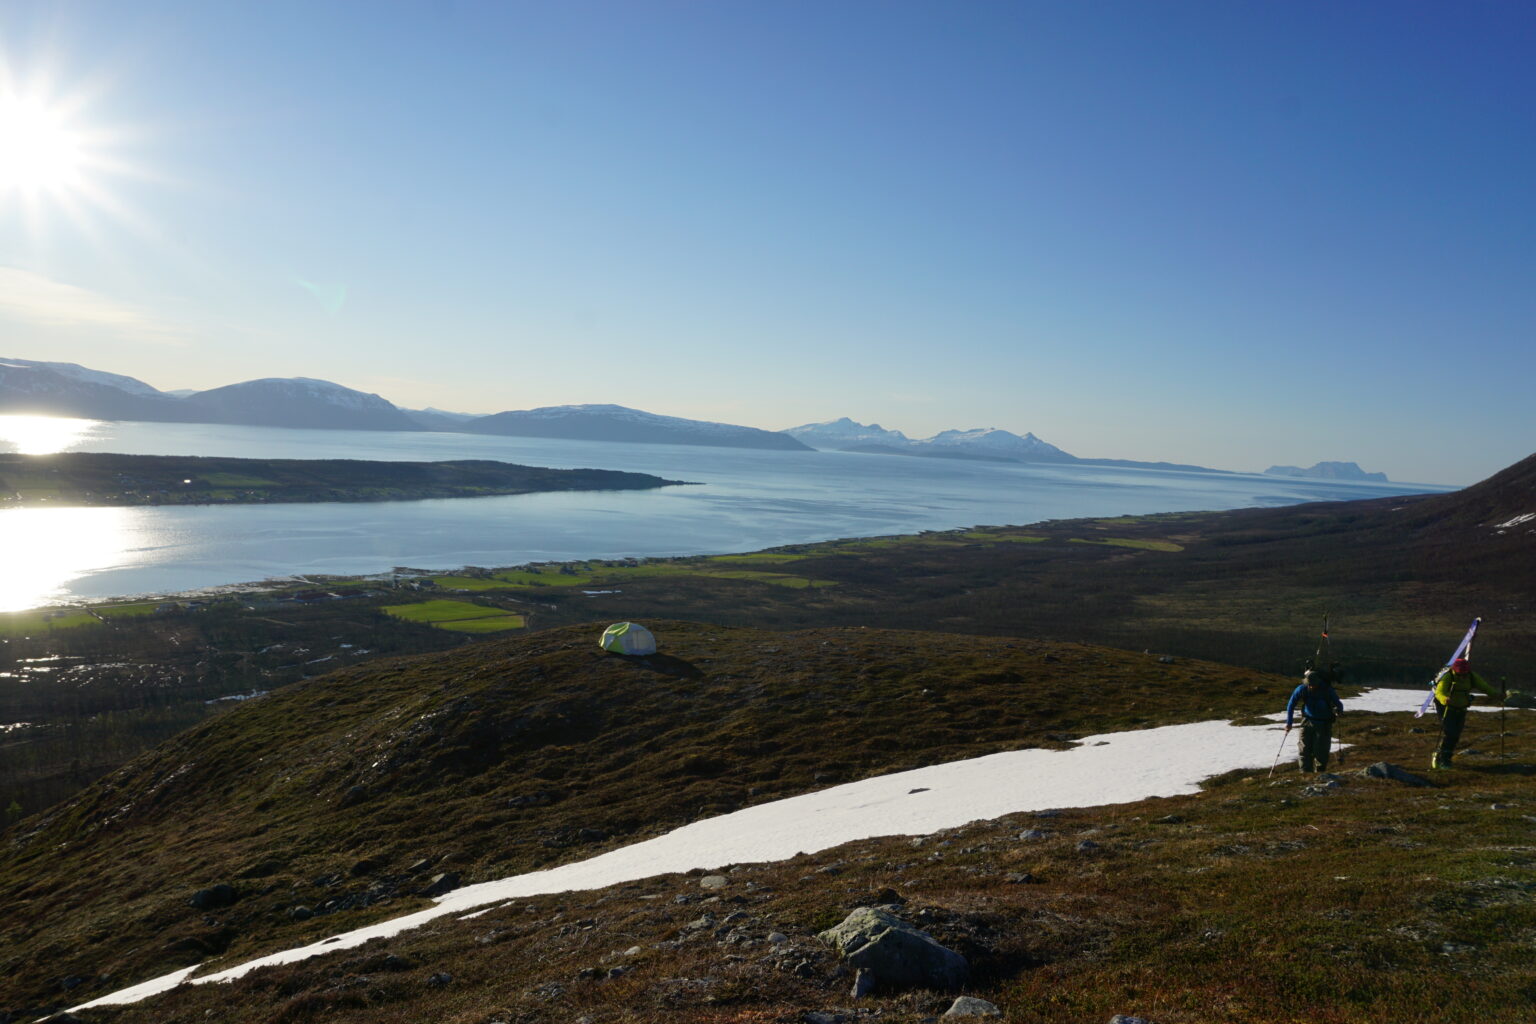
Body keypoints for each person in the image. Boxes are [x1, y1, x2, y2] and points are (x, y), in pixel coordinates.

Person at [1431, 657, 1504, 769]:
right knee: (1450, 733)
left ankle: (1445, 757)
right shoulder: (1448, 677)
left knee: (1456, 735)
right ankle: (1443, 760)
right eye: (1460, 673)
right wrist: (1444, 699)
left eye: (1465, 673)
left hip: (1461, 708)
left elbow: (1484, 687)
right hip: (1445, 707)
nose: (1463, 676)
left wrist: (1496, 695)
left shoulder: (1471, 676)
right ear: (1455, 670)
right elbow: (1439, 692)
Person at [1286, 667, 1345, 772]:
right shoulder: (1302, 689)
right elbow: (1291, 705)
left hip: (1324, 724)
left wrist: (1338, 710)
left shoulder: (1327, 690)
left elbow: (1338, 704)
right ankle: (1305, 774)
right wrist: (1289, 723)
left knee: (1321, 751)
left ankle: (1319, 773)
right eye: (1309, 684)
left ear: (1319, 682)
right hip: (1307, 721)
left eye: (1313, 684)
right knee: (1304, 750)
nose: (1311, 686)